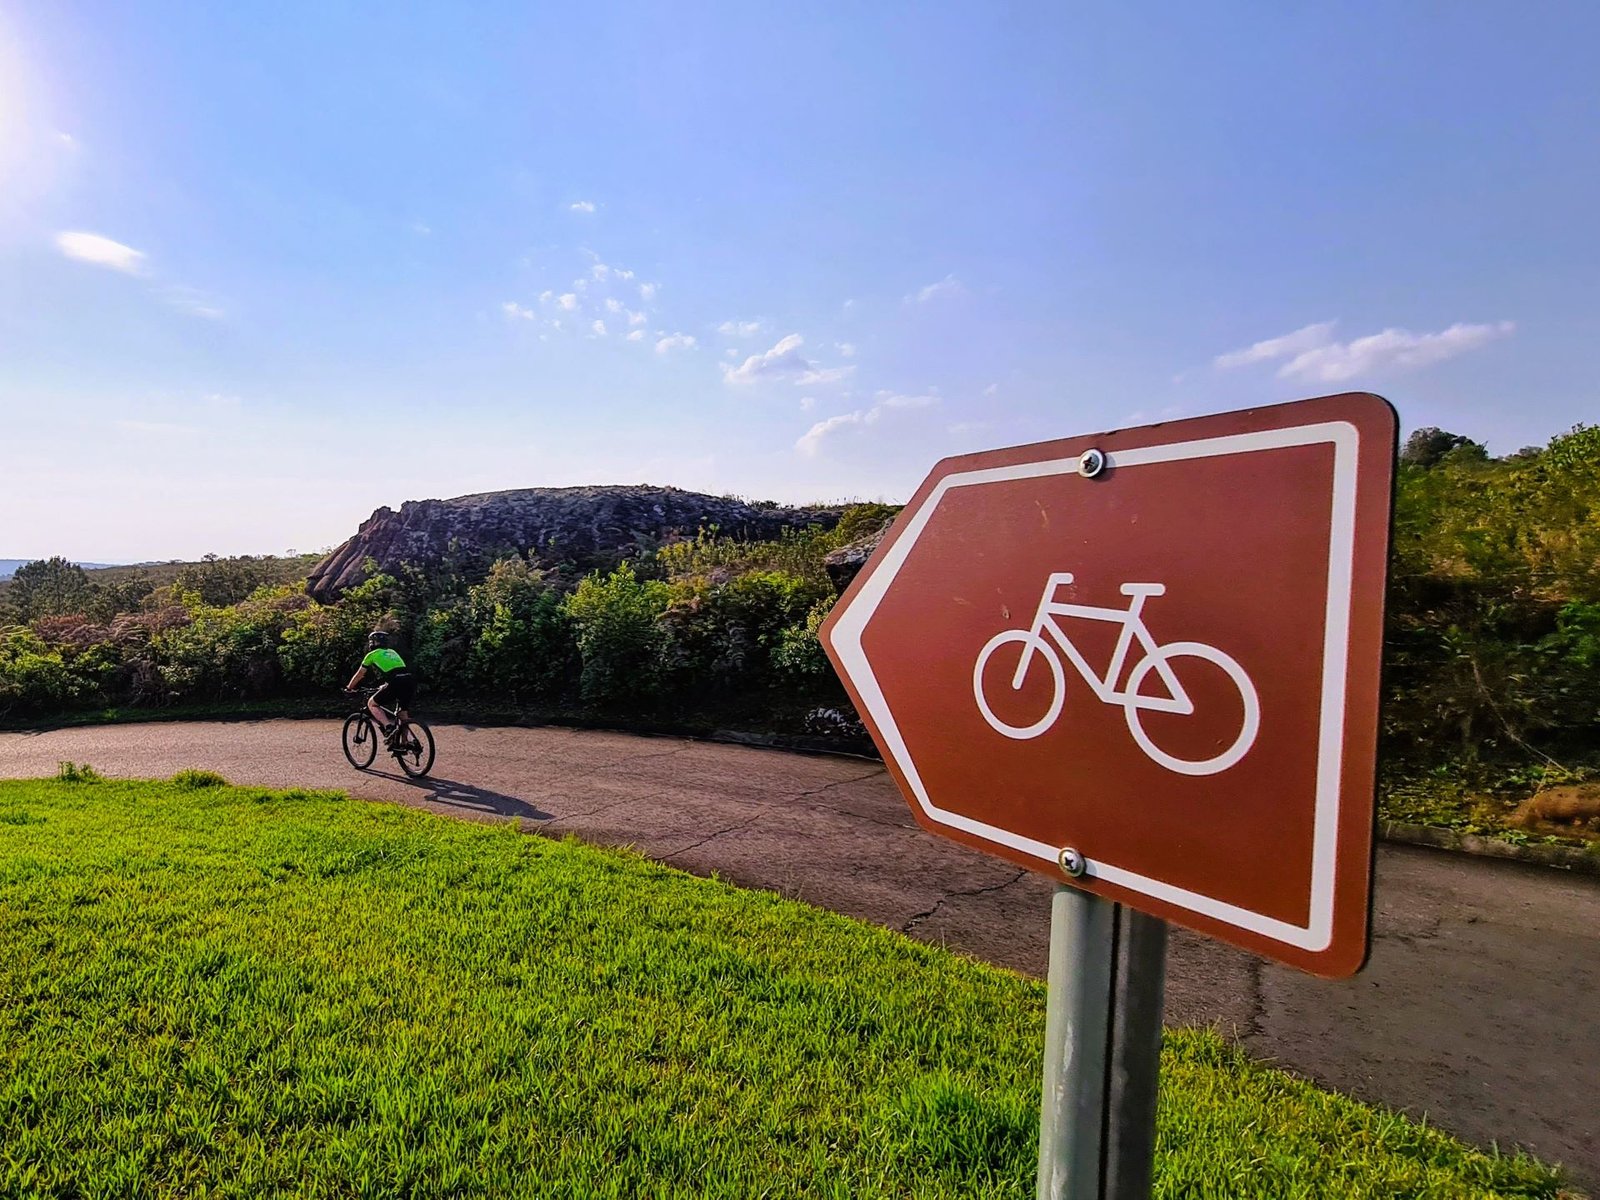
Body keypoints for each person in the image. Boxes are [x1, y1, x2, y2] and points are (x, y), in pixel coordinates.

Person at [345, 630, 417, 746]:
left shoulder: (371, 655)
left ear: (373, 643)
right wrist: (385, 684)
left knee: (372, 703)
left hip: (395, 682)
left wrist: (349, 687)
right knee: (403, 715)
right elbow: (396, 670)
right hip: (409, 681)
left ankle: (388, 727)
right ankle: (405, 743)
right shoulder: (392, 652)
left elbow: (360, 674)